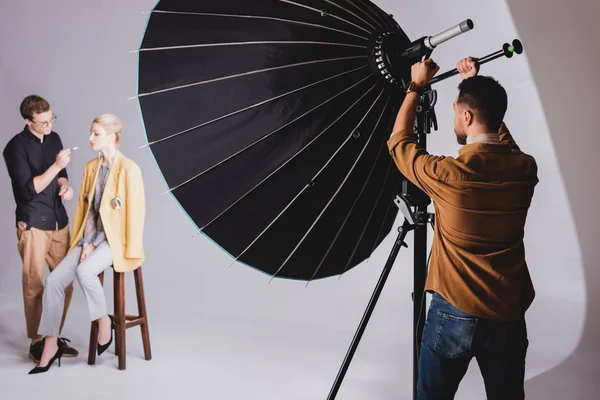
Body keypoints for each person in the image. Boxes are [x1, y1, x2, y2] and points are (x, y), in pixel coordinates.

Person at [387, 57, 538, 399]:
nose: (455, 117)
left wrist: (416, 86)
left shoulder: (448, 176)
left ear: (466, 117)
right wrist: (475, 84)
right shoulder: (524, 169)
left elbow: (399, 144)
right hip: (507, 314)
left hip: (454, 313)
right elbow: (504, 145)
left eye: (458, 111)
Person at [28, 113, 146, 374]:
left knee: (84, 272)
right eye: (91, 133)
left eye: (96, 134)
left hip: (117, 242)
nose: (90, 138)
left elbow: (136, 216)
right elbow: (89, 212)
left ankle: (104, 323)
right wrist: (88, 242)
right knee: (54, 281)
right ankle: (50, 343)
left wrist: (129, 252)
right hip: (90, 237)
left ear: (112, 137)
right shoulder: (92, 168)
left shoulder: (129, 169)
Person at [3, 95, 80, 363]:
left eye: (51, 119)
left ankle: (52, 337)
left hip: (59, 220)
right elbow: (29, 189)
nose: (49, 126)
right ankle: (37, 342)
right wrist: (57, 165)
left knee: (64, 282)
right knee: (34, 285)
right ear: (28, 121)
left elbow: (61, 177)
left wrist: (64, 186)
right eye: (43, 122)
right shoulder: (15, 148)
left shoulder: (55, 138)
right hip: (34, 222)